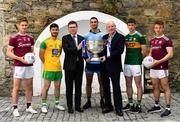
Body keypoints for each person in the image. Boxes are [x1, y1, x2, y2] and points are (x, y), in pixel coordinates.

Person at [6, 17, 38, 117]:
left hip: (29, 66)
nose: (24, 27)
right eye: (22, 25)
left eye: (25, 25)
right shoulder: (14, 38)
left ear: (27, 26)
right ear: (18, 26)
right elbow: (8, 53)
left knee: (29, 87)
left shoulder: (30, 38)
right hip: (19, 66)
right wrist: (20, 59)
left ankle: (29, 107)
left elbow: (32, 51)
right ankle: (15, 108)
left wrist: (33, 57)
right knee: (16, 87)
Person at [147, 20, 173, 117]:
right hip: (154, 68)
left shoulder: (167, 40)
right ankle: (157, 105)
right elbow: (151, 53)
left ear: (163, 28)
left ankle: (168, 108)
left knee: (165, 87)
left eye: (160, 28)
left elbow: (170, 54)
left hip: (162, 67)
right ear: (154, 28)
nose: (158, 29)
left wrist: (159, 61)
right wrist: (148, 61)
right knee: (155, 86)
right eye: (156, 28)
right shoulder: (152, 40)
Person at [100, 21, 125, 116]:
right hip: (104, 66)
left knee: (116, 87)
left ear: (115, 27)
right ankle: (108, 106)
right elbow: (101, 51)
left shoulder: (120, 37)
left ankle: (118, 108)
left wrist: (106, 56)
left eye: (112, 26)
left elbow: (120, 51)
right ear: (106, 28)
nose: (111, 28)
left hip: (115, 66)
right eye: (109, 26)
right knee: (106, 87)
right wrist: (94, 54)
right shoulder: (104, 37)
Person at [39, 23, 65, 113]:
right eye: (53, 29)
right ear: (50, 31)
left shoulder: (60, 42)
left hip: (58, 68)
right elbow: (41, 55)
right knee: (46, 87)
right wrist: (47, 63)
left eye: (56, 29)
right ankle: (43, 105)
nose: (55, 31)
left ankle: (57, 104)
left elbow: (59, 53)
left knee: (57, 87)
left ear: (58, 30)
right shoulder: (45, 42)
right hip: (48, 69)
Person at [123, 18, 147, 113]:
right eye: (129, 25)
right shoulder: (126, 37)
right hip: (127, 63)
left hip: (136, 64)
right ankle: (130, 103)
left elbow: (144, 51)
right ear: (127, 26)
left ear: (135, 25)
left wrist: (139, 60)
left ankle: (139, 105)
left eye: (132, 25)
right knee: (128, 84)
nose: (131, 27)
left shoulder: (140, 36)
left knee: (138, 85)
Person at [82, 17, 105, 109]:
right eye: (92, 22)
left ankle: (102, 100)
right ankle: (88, 101)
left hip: (100, 63)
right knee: (88, 83)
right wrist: (85, 58)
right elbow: (84, 48)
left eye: (95, 22)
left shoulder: (103, 35)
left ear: (98, 23)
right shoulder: (86, 35)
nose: (94, 23)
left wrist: (103, 56)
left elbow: (105, 48)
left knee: (102, 83)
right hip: (90, 62)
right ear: (90, 23)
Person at [62, 21, 84, 113]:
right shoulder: (65, 38)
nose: (72, 28)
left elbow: (85, 51)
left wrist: (88, 58)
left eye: (74, 27)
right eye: (70, 27)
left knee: (78, 87)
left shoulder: (82, 38)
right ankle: (70, 106)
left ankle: (78, 106)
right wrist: (77, 48)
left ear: (77, 27)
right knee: (69, 87)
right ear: (68, 29)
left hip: (79, 66)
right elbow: (66, 50)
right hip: (69, 66)